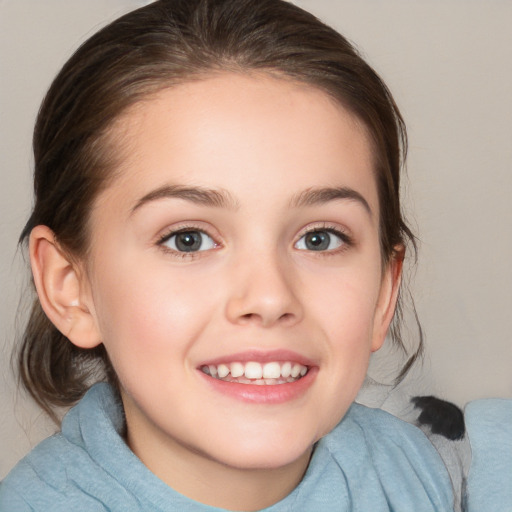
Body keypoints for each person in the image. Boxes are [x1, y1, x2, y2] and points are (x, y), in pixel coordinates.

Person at [0, 0, 457, 510]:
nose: (268, 297)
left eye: (319, 238)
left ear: (383, 292)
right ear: (71, 288)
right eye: (188, 239)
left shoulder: (434, 475)